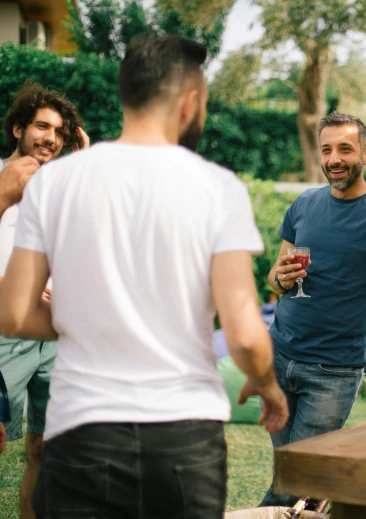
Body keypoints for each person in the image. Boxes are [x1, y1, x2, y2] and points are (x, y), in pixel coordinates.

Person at [0, 33, 288, 518]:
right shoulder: (218, 189)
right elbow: (244, 332)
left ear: (127, 93)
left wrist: (88, 319)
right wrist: (268, 385)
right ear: (190, 101)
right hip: (183, 439)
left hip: (79, 436)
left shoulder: (54, 182)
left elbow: (12, 312)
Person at [261, 112, 366, 507]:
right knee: (294, 473)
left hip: (333, 370)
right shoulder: (304, 204)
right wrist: (280, 277)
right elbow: (274, 277)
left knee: (297, 479)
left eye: (345, 149)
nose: (334, 158)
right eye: (327, 149)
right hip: (280, 356)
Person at [0, 81, 87, 519]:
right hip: (4, 333)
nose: (50, 137)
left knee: (44, 445)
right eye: (41, 126)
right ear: (17, 128)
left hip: (54, 334)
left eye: (59, 131)